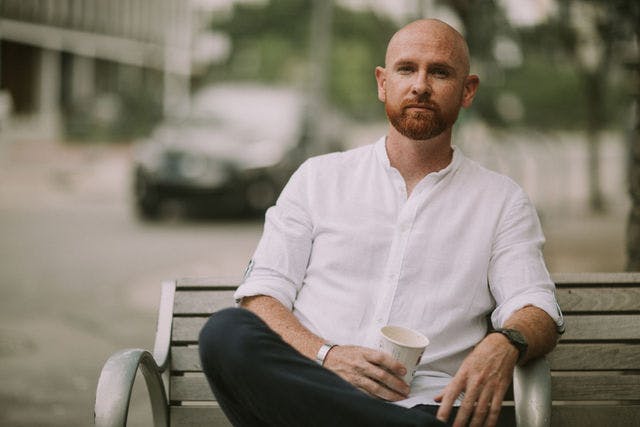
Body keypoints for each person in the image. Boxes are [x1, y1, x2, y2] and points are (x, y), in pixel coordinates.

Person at [199, 18, 564, 427]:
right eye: (407, 69)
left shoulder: (502, 201)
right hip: (311, 390)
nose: (421, 85)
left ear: (468, 91)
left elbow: (536, 308)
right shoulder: (317, 178)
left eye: (440, 72)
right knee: (225, 333)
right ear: (382, 82)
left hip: (431, 405)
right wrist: (328, 355)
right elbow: (261, 298)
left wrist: (506, 342)